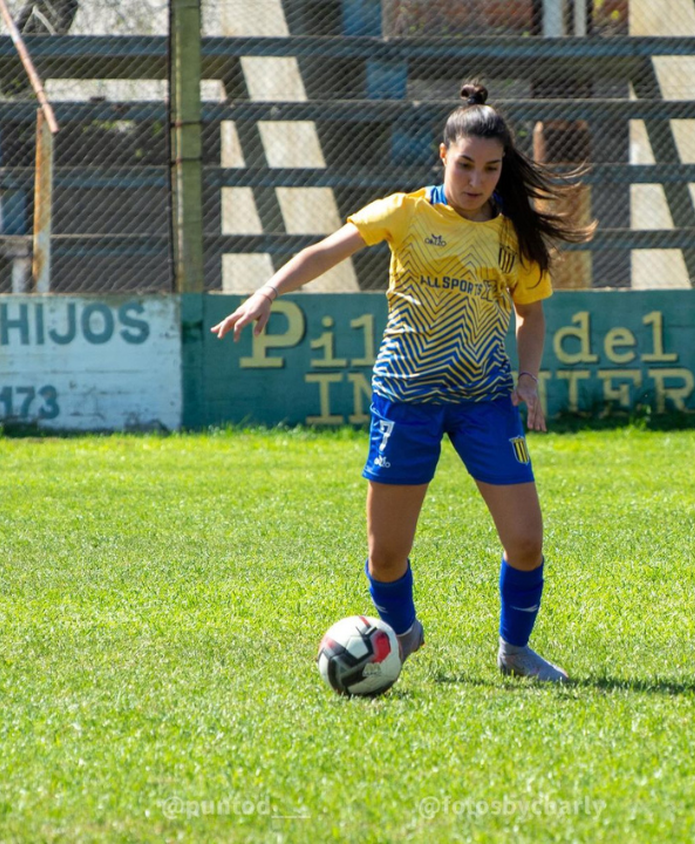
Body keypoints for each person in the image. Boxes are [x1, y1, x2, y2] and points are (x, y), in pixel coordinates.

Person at [212, 82, 593, 683]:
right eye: (465, 164)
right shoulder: (406, 211)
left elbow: (532, 314)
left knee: (526, 542)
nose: (476, 179)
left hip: (485, 401)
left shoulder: (513, 235)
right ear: (442, 154)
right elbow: (324, 250)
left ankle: (515, 652)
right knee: (386, 555)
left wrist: (528, 378)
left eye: (491, 169)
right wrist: (268, 291)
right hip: (407, 399)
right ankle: (402, 634)